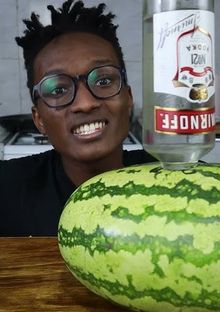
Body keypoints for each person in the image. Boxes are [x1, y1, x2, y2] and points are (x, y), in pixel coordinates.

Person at [0, 0, 155, 237]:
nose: (85, 103)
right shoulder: (7, 190)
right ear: (39, 119)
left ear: (128, 97)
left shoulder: (182, 180)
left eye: (103, 81)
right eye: (58, 90)